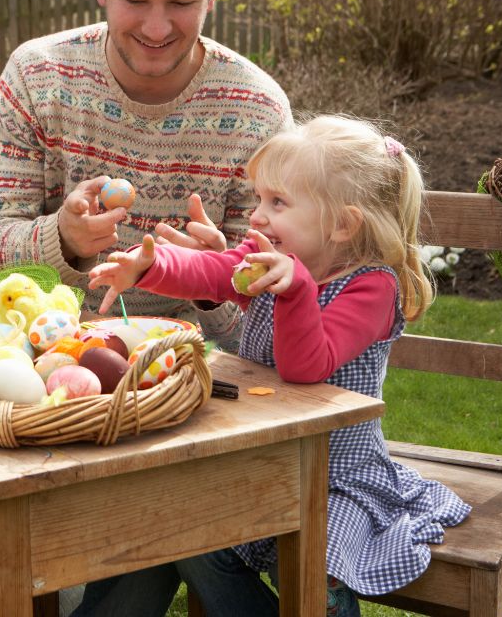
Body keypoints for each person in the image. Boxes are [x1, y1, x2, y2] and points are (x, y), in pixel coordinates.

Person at [85, 116, 471, 616]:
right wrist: (151, 266)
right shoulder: (272, 257)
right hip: (259, 453)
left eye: (278, 203)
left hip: (333, 474)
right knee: (194, 537)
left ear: (342, 223)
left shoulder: (372, 287)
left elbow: (306, 367)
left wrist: (296, 291)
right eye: (260, 200)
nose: (258, 218)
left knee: (313, 566)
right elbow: (214, 271)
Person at [0, 0, 292, 346]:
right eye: (136, 0)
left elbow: (270, 330)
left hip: (194, 373)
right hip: (48, 358)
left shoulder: (258, 112)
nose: (156, 29)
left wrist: (211, 283)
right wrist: (63, 240)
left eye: (181, 2)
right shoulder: (36, 77)